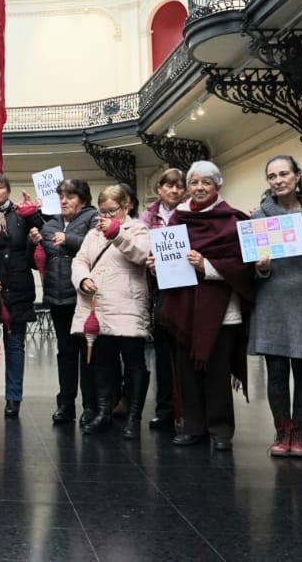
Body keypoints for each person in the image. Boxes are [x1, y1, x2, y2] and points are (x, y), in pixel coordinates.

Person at [156, 160, 254, 451]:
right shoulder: (178, 218)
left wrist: (206, 265)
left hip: (222, 313)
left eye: (206, 183)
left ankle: (220, 429)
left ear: (217, 186)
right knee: (186, 373)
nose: (199, 188)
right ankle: (193, 426)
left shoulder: (233, 220)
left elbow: (241, 265)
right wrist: (156, 266)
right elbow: (170, 259)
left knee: (217, 372)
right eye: (194, 182)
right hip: (183, 307)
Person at [248, 156, 302, 457]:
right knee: (277, 371)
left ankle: (301, 434)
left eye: (284, 174)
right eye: (272, 176)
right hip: (272, 300)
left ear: (297, 176)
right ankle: (282, 431)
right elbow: (251, 269)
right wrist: (262, 267)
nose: (278, 180)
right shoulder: (258, 217)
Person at [71, 185, 152, 437]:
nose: (105, 217)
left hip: (127, 305)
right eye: (102, 211)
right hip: (99, 306)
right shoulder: (94, 233)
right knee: (102, 362)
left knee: (134, 362)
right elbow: (80, 260)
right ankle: (104, 412)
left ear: (126, 206)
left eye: (112, 211)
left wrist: (117, 233)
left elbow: (141, 254)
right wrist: (83, 279)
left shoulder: (137, 228)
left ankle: (133, 418)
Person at [0, 174, 45, 418]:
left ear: (8, 191)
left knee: (16, 346)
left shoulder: (22, 214)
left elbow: (36, 251)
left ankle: (13, 399)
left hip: (19, 285)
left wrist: (33, 215)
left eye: (0, 187)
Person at [39, 179, 99, 425]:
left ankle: (90, 406)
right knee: (65, 352)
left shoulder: (93, 217)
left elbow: (96, 246)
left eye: (70, 196)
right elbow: (46, 250)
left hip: (83, 296)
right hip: (57, 296)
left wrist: (69, 241)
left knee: (87, 353)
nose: (64, 201)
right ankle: (65, 404)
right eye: (61, 196)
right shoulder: (51, 222)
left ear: (83, 200)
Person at [139, 168, 186, 431]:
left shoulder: (191, 213)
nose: (174, 191)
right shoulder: (147, 217)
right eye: (169, 186)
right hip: (159, 288)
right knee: (163, 353)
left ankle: (188, 409)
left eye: (179, 186)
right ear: (159, 189)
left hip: (188, 288)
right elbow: (141, 246)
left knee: (186, 354)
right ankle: (165, 408)